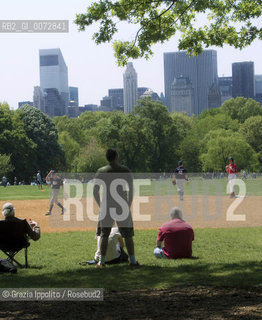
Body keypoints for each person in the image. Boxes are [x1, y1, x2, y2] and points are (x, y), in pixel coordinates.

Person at [93, 148, 139, 268]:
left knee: (104, 234)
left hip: (106, 205)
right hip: (121, 205)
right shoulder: (124, 170)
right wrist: (128, 203)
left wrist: (100, 204)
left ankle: (101, 262)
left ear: (107, 158)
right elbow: (131, 188)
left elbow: (95, 191)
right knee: (128, 235)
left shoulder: (101, 171)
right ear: (116, 157)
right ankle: (133, 261)